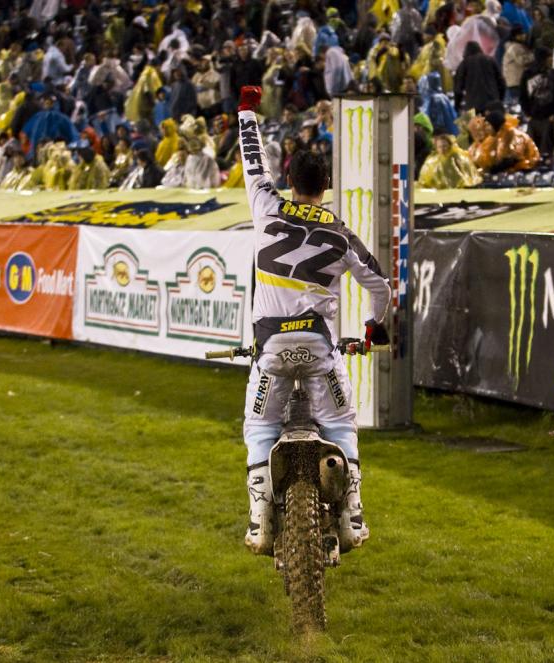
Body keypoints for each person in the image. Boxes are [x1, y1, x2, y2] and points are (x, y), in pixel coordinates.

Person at [235, 85, 391, 556]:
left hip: (272, 352)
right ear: (326, 188)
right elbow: (381, 286)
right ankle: (352, 515)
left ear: (289, 178)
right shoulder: (340, 234)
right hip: (321, 352)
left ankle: (260, 519)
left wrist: (247, 110)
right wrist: (372, 327)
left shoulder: (265, 204)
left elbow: (251, 159)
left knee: (259, 429)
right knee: (341, 423)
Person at [453, 41, 506, 113]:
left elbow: (458, 88)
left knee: (475, 124)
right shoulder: (490, 60)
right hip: (493, 103)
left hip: (473, 105)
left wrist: (457, 105)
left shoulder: (464, 64)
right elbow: (501, 82)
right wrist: (499, 99)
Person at [419, 133, 485, 188]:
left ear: (450, 146)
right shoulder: (432, 161)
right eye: (440, 147)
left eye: (444, 146)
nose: (442, 149)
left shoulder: (457, 157)